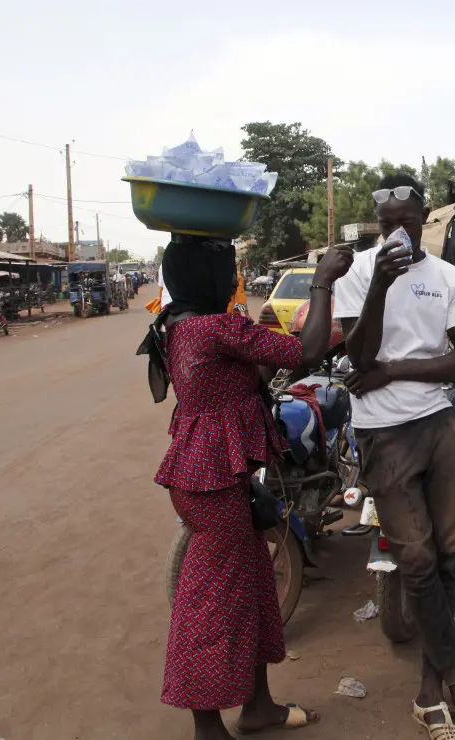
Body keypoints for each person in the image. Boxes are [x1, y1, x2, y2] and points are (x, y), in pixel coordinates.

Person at [151, 235, 352, 740]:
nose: (235, 277)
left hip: (212, 474)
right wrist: (323, 280)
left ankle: (259, 705)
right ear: (211, 279)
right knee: (212, 605)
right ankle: (207, 728)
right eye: (228, 269)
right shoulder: (216, 327)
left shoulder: (178, 325)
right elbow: (306, 351)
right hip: (214, 479)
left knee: (256, 588)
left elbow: (246, 373)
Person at [333, 174, 455, 740]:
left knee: (451, 552)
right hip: (383, 431)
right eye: (386, 225)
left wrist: (395, 370)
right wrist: (380, 285)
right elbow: (357, 352)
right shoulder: (359, 273)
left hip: (435, 422)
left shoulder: (446, 275)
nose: (395, 233)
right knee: (418, 560)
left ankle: (429, 691)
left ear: (423, 218)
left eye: (405, 222)